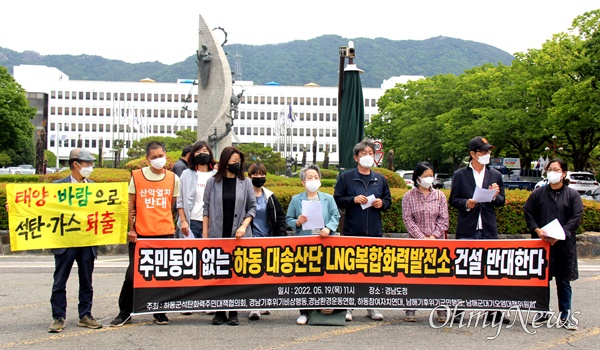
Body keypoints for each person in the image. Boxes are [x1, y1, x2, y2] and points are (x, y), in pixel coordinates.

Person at [110, 141, 180, 327]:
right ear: (148, 159)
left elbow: (171, 204)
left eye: (161, 156)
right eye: (154, 157)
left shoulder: (173, 178)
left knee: (161, 276)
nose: (159, 159)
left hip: (165, 234)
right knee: (132, 276)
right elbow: (130, 205)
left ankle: (159, 312)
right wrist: (131, 229)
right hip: (141, 235)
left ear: (166, 154)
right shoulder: (137, 176)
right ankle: (125, 312)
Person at [333, 139, 391, 322]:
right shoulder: (346, 178)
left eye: (371, 154)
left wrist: (382, 203)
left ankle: (371, 306)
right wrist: (352, 200)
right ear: (356, 157)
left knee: (372, 270)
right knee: (351, 269)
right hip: (352, 230)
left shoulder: (380, 179)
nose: (368, 157)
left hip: (374, 231)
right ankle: (349, 306)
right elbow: (338, 199)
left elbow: (388, 201)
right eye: (364, 154)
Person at [449, 136, 505, 322]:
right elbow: (453, 200)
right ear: (473, 154)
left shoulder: (495, 175)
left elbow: (502, 201)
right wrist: (467, 203)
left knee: (491, 271)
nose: (487, 155)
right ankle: (459, 310)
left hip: (488, 228)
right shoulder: (460, 175)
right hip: (468, 228)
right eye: (483, 151)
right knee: (464, 270)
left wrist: (495, 195)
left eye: (489, 151)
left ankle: (493, 311)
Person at [524, 158, 583, 331]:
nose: (553, 172)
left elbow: (576, 216)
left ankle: (566, 315)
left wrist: (561, 233)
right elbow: (528, 212)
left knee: (563, 281)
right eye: (550, 169)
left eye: (556, 170)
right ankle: (542, 312)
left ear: (564, 173)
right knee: (542, 280)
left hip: (564, 245)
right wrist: (536, 230)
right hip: (542, 244)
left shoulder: (572, 195)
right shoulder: (538, 193)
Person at [47, 148, 102, 333]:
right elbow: (41, 210)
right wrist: (14, 206)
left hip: (87, 241)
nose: (91, 167)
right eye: (88, 164)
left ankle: (85, 314)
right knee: (59, 281)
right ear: (76, 164)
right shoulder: (57, 186)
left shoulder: (95, 187)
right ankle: (58, 317)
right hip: (65, 242)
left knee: (86, 281)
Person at [203, 146, 256, 326]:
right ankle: (219, 311)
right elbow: (206, 208)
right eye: (234, 162)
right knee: (219, 273)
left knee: (235, 273)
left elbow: (252, 207)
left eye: (239, 161)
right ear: (225, 163)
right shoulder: (212, 182)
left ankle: (233, 311)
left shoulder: (246, 182)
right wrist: (205, 235)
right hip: (218, 233)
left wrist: (243, 226)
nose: (237, 164)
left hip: (239, 235)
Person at [286, 164, 340, 325]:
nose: (313, 180)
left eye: (316, 177)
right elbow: (288, 219)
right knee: (304, 277)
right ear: (303, 182)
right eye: (309, 178)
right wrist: (298, 221)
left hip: (324, 241)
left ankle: (321, 309)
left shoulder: (328, 198)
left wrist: (329, 228)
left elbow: (335, 215)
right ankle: (304, 311)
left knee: (323, 277)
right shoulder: (296, 199)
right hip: (304, 241)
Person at [401, 162, 449, 323]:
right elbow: (408, 220)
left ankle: (441, 309)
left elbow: (444, 220)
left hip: (437, 243)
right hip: (416, 243)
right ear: (417, 178)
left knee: (439, 277)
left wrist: (434, 237)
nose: (430, 179)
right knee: (415, 276)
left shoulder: (439, 196)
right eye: (426, 176)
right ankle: (410, 309)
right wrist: (422, 239)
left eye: (431, 176)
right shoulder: (409, 196)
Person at [246, 162, 288, 320]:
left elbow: (280, 217)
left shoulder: (269, 196)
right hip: (250, 240)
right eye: (255, 175)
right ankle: (253, 306)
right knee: (252, 274)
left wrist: (281, 236)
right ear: (249, 177)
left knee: (266, 274)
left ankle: (262, 303)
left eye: (262, 174)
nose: (259, 177)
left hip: (268, 240)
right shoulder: (245, 195)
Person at [177, 141, 216, 239]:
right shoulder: (186, 174)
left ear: (210, 154)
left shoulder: (216, 175)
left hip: (211, 222)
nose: (202, 154)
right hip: (192, 221)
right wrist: (183, 221)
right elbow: (180, 200)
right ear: (193, 155)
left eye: (204, 150)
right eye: (198, 151)